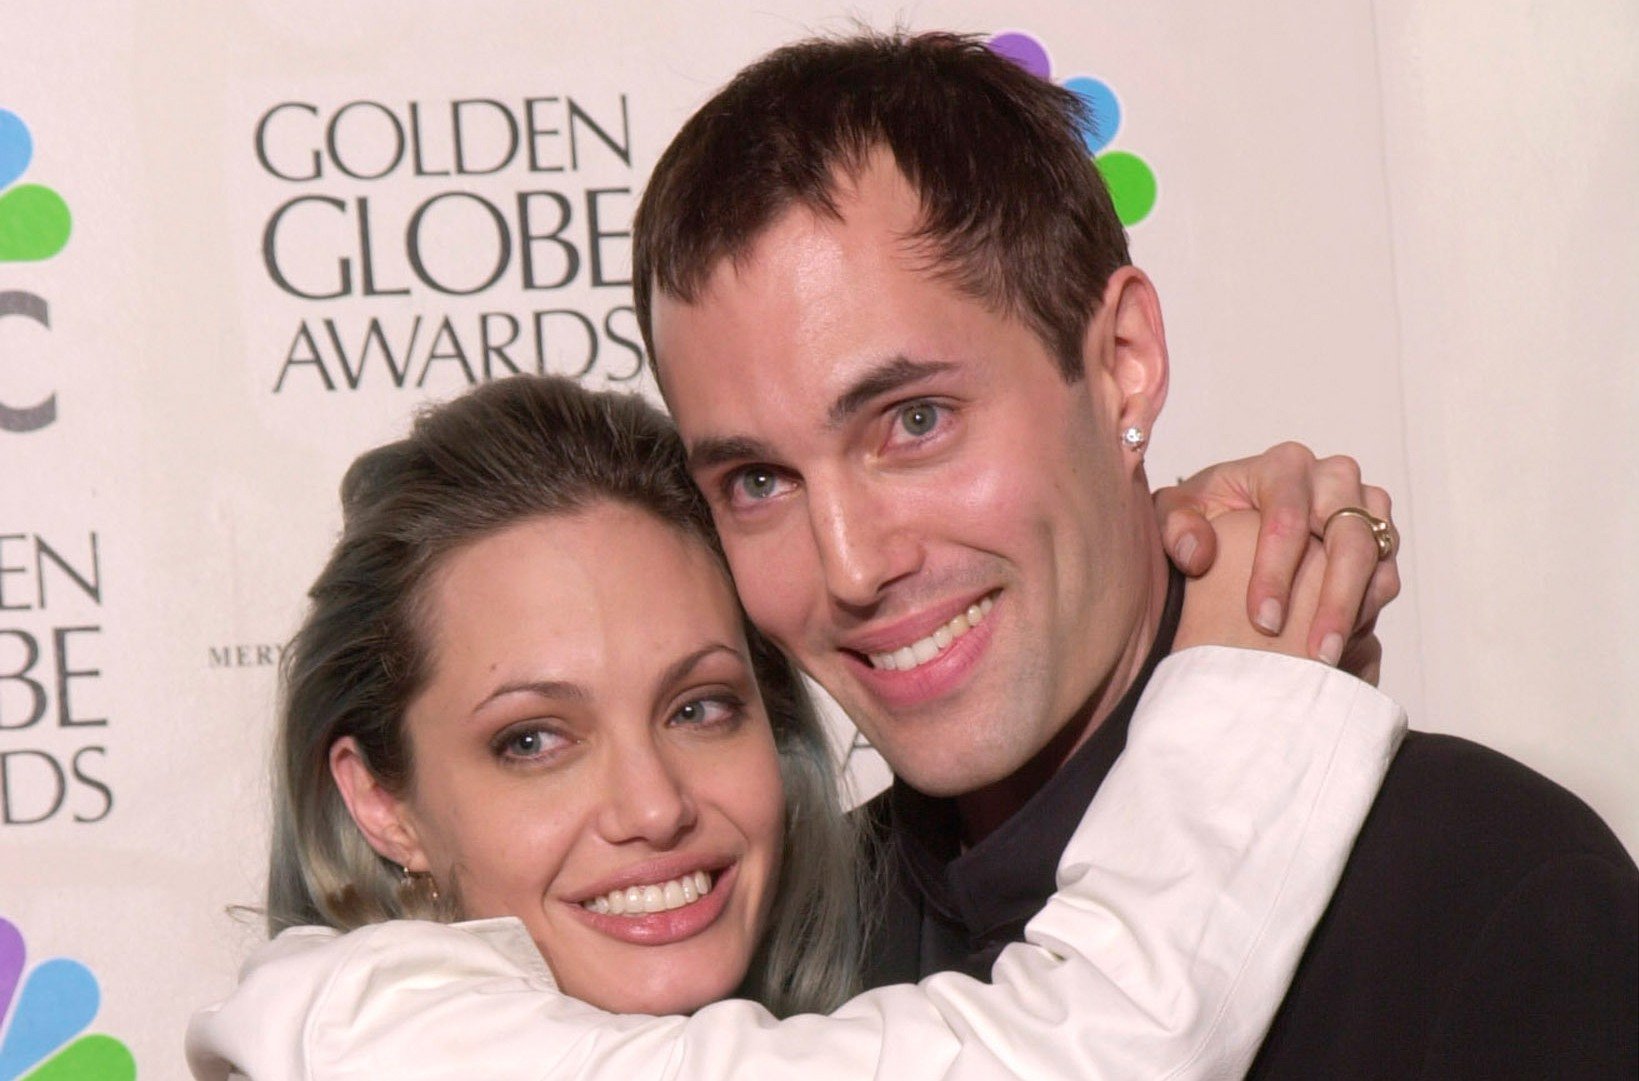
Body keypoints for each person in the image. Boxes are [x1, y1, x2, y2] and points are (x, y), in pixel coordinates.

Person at [631, 29, 1639, 1079]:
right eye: (758, 481)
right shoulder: (765, 966)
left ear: (1123, 360)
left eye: (915, 420)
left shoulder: (1486, 895)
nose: (848, 566)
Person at [188, 375, 1405, 1079]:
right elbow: (1090, 1048)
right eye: (533, 741)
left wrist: (1146, 572)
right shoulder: (373, 1037)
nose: (653, 806)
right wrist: (1246, 672)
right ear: (380, 799)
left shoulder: (841, 987)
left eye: (699, 708)